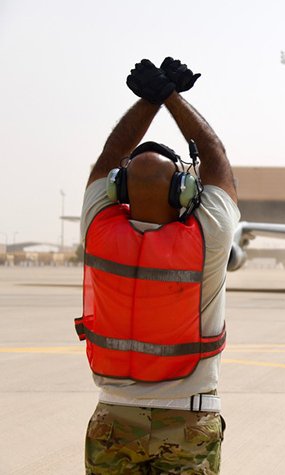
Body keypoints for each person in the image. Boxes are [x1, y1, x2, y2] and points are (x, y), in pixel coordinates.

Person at [74, 58, 239, 474]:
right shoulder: (207, 239)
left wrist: (147, 101)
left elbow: (107, 157)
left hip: (114, 418)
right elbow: (216, 160)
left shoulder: (99, 231)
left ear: (120, 188)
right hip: (188, 418)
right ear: (184, 192)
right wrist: (170, 97)